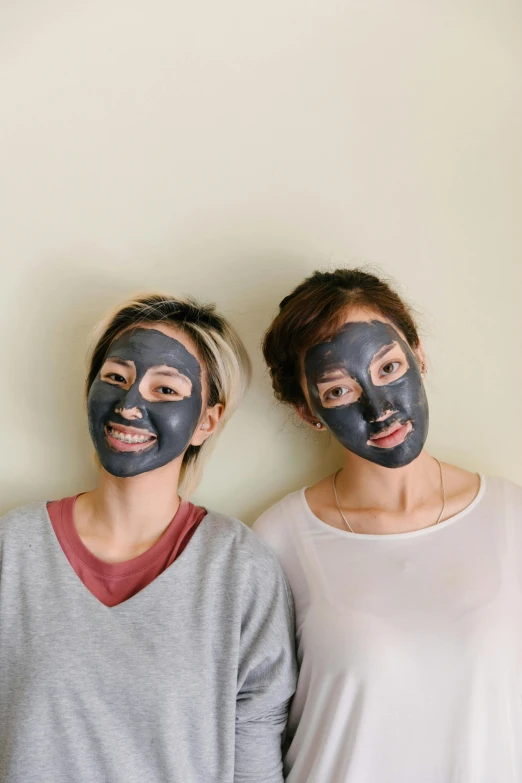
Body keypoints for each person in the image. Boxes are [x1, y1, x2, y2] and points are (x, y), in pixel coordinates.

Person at [0, 293, 296, 783]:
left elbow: (257, 747)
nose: (130, 404)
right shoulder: (13, 549)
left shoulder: (239, 569)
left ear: (208, 420)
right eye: (115, 378)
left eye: (166, 389)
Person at [254, 268, 522, 783]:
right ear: (307, 411)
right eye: (336, 392)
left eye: (389, 367)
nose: (381, 410)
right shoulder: (279, 539)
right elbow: (254, 724)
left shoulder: (511, 517)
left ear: (419, 357)